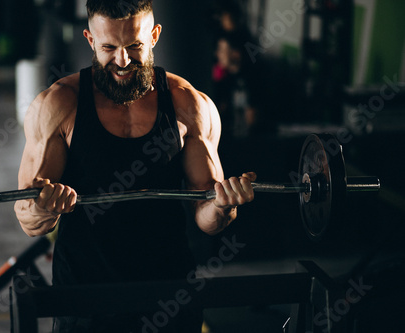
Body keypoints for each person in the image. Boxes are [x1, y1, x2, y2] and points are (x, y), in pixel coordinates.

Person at [14, 0, 256, 331]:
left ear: (154, 35)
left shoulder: (190, 105)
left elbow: (206, 216)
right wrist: (44, 210)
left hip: (168, 289)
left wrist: (224, 207)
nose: (123, 61)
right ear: (90, 40)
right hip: (85, 293)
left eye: (135, 46)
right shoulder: (58, 105)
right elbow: (28, 218)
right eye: (109, 47)